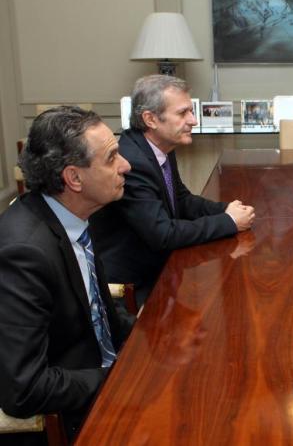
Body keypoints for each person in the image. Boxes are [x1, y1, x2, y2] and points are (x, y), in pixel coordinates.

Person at [0, 106, 135, 439]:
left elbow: (98, 312)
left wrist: (153, 335)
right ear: (74, 178)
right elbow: (24, 389)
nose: (126, 165)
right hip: (70, 416)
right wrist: (117, 378)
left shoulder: (73, 215)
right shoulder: (24, 253)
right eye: (111, 158)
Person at [91, 75, 255, 305]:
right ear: (150, 119)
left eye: (191, 111)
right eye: (182, 113)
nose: (193, 120)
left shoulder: (160, 146)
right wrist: (228, 221)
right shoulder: (133, 161)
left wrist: (225, 209)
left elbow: (181, 199)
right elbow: (163, 234)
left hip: (160, 269)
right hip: (132, 288)